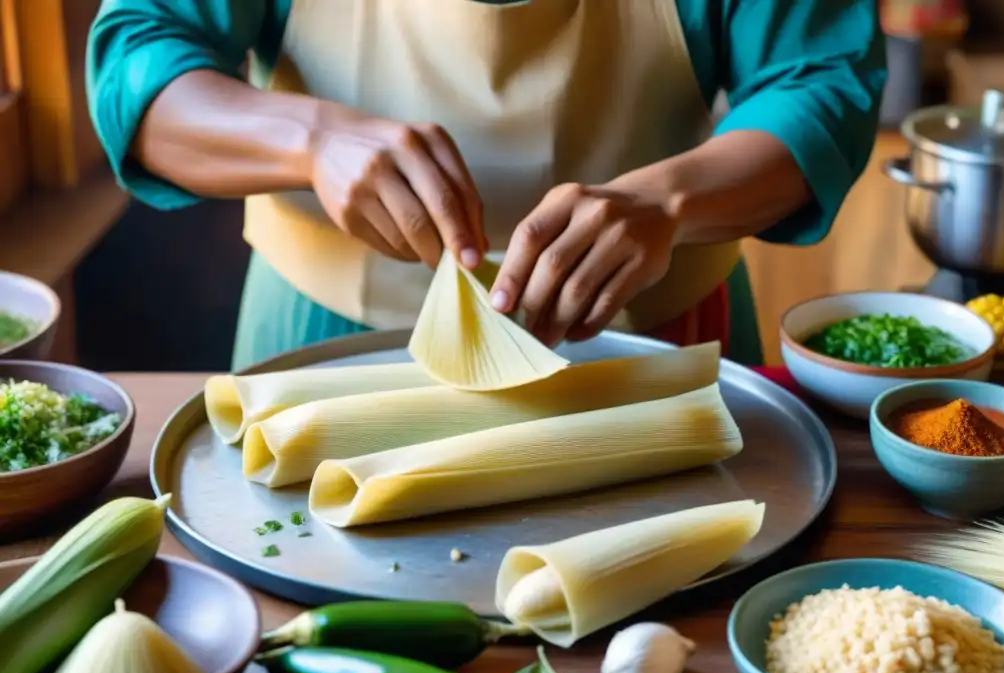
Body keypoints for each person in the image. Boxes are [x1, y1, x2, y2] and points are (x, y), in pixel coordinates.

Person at [86, 0, 886, 371]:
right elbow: (137, 62)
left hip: (653, 337)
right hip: (324, 340)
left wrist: (669, 202)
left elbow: (822, 80)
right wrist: (312, 139)